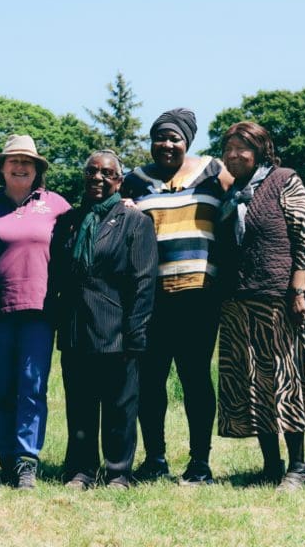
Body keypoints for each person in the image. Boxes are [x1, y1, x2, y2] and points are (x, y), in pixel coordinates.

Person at [120, 108, 233, 485]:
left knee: (195, 377)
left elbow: (242, 204)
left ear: (188, 142)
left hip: (199, 297)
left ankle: (200, 462)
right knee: (150, 381)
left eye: (175, 139)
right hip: (151, 298)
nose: (167, 145)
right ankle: (155, 458)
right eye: (160, 138)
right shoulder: (135, 180)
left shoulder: (213, 171)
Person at [215, 121, 305, 491]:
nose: (233, 155)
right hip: (237, 299)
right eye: (228, 149)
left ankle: (299, 468)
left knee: (285, 382)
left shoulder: (284, 180)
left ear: (260, 151)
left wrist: (298, 291)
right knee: (253, 384)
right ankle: (270, 465)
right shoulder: (230, 192)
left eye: (242, 148)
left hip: (278, 298)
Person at [49, 150, 158, 489]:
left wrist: (135, 333)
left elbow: (144, 282)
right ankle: (81, 470)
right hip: (76, 329)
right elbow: (57, 275)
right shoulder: (69, 221)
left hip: (118, 330)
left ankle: (118, 471)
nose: (98, 178)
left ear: (119, 181)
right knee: (80, 405)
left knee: (120, 406)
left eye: (107, 173)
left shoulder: (135, 221)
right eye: (91, 171)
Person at [0, 135, 71, 489]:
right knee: (2, 388)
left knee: (32, 387)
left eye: (27, 162)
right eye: (14, 161)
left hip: (40, 310)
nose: (20, 166)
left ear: (37, 169)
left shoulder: (56, 205)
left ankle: (26, 460)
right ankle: (7, 458)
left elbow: (82, 233)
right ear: (2, 167)